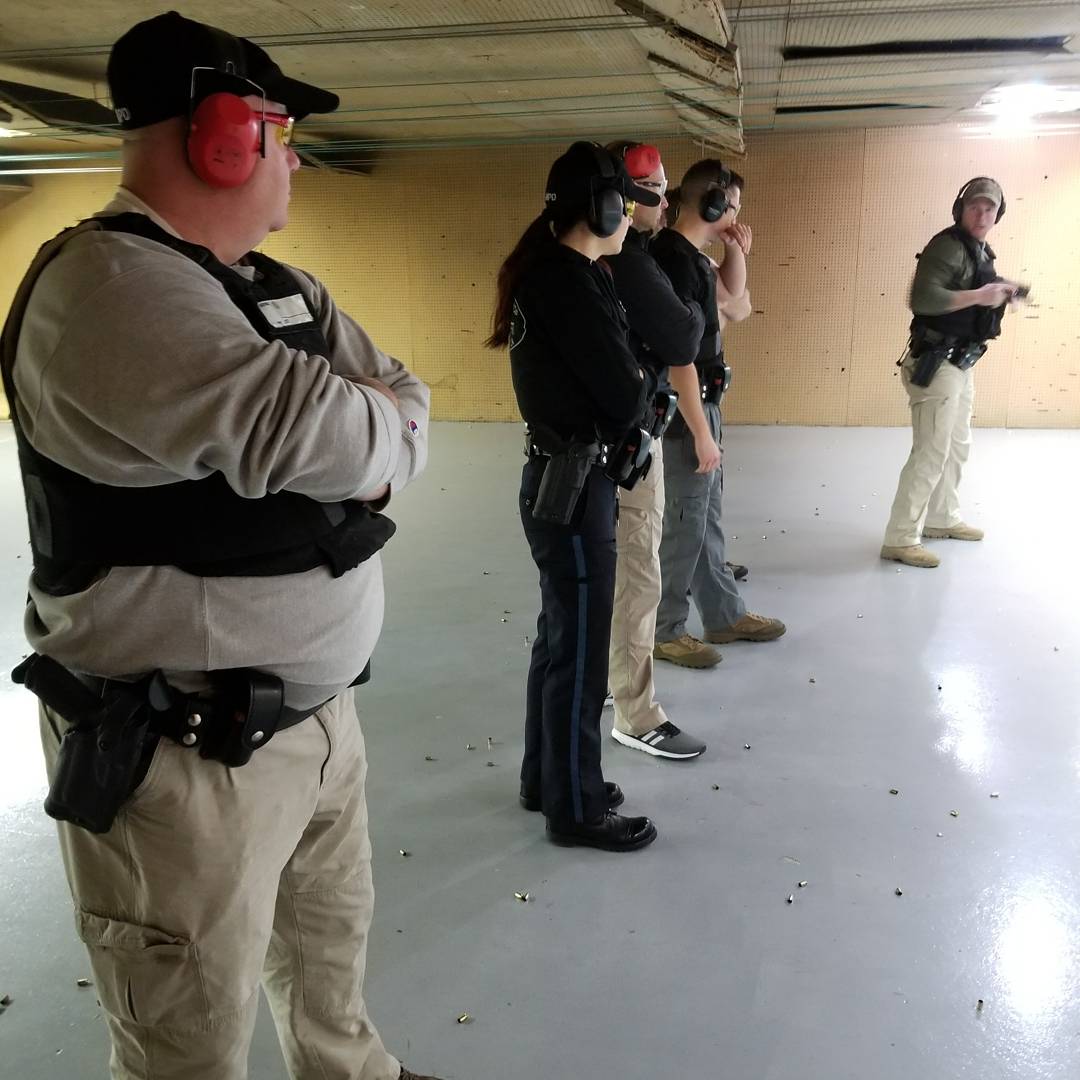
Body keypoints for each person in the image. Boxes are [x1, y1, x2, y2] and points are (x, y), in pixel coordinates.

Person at [0, 12, 442, 1080]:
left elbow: (406, 401)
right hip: (185, 761)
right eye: (282, 134)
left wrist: (372, 432)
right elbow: (351, 438)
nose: (295, 160)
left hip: (313, 723)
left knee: (327, 964)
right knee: (187, 1039)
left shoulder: (269, 285)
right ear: (224, 137)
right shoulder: (112, 288)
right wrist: (368, 434)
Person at [486, 140, 661, 851]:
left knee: (562, 639)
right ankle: (577, 807)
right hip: (576, 487)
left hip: (565, 481)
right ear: (604, 208)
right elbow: (623, 394)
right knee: (581, 653)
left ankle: (548, 778)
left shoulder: (563, 274)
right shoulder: (568, 282)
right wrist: (641, 387)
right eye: (627, 204)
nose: (633, 217)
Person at [650, 160, 785, 669]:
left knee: (705, 517)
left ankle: (723, 615)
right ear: (713, 204)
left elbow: (737, 303)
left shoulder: (693, 258)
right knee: (685, 523)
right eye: (733, 206)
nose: (737, 215)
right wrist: (700, 432)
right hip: (686, 409)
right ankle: (664, 630)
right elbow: (676, 356)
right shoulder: (671, 260)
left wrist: (736, 251)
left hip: (704, 403)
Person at [601, 140, 708, 759]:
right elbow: (686, 334)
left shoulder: (588, 259)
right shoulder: (632, 262)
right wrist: (692, 295)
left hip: (610, 446)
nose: (665, 202)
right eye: (656, 191)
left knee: (614, 573)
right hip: (628, 448)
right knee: (638, 575)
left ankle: (608, 684)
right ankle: (635, 712)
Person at [881, 177, 1018, 568]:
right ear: (960, 209)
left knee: (957, 445)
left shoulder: (979, 251)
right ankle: (900, 538)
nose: (982, 215)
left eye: (990, 209)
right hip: (937, 362)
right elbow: (922, 298)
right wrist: (980, 296)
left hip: (960, 362)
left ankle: (941, 517)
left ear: (998, 214)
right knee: (930, 451)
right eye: (975, 207)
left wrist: (1002, 291)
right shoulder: (948, 246)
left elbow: (974, 289)